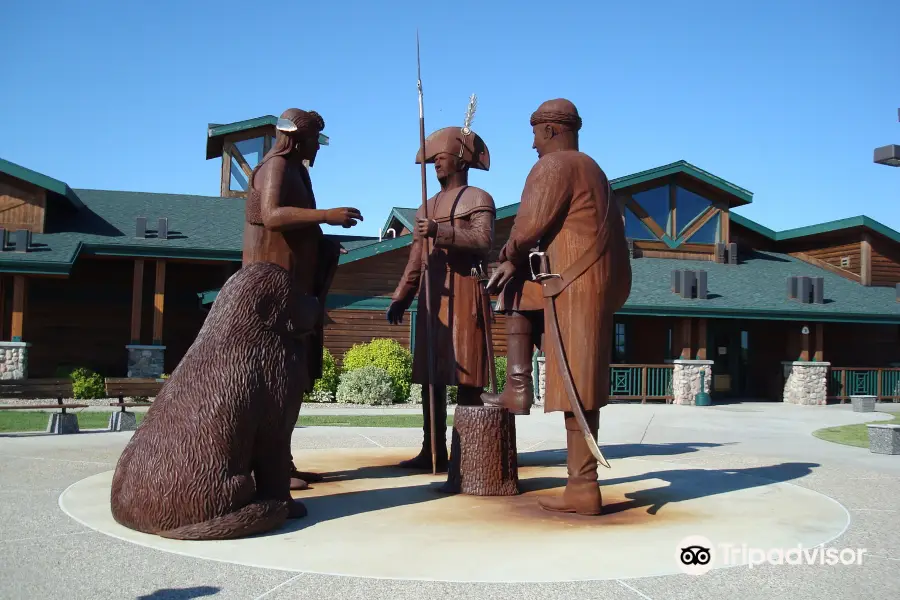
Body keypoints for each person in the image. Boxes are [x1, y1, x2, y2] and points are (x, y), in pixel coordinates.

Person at [485, 99, 632, 515]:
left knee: (578, 383)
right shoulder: (595, 171)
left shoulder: (555, 166)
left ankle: (583, 487)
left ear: (549, 130)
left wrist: (509, 253)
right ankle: (518, 389)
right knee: (516, 294)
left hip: (575, 287)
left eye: (534, 134)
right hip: (581, 284)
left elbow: (530, 223)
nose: (533, 144)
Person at [243, 107, 364, 491]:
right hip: (271, 291)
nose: (317, 147)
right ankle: (262, 469)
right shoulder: (275, 167)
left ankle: (282, 462)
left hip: (295, 288)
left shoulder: (299, 171)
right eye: (314, 139)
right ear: (297, 137)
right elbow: (272, 215)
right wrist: (326, 215)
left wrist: (323, 245)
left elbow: (298, 228)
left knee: (291, 379)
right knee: (272, 379)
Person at [387, 124, 496, 471]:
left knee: (467, 377)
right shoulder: (427, 205)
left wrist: (441, 230)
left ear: (460, 160)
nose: (435, 164)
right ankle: (431, 449)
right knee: (431, 376)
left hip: (465, 293)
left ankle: (469, 452)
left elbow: (482, 241)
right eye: (432, 159)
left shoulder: (478, 198)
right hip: (434, 299)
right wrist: (402, 296)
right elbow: (417, 258)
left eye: (442, 157)